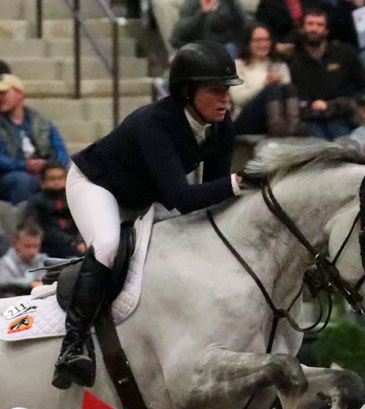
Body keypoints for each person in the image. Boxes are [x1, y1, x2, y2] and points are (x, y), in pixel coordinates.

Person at [56, 40, 243, 389]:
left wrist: (236, 192)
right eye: (215, 90)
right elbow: (184, 199)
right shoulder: (155, 123)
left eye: (227, 91)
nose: (225, 99)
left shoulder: (221, 126)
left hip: (145, 196)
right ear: (188, 92)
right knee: (108, 245)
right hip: (97, 185)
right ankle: (73, 346)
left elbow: (213, 197)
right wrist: (240, 183)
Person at [0, 73, 69, 204]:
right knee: (23, 181)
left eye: (4, 93)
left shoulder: (40, 121)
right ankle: (25, 221)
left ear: (19, 94)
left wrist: (51, 167)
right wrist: (25, 165)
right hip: (6, 175)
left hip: (43, 170)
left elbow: (60, 150)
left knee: (66, 178)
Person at [287, 8, 365, 141]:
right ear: (302, 28)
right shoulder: (293, 60)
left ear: (326, 31)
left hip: (341, 116)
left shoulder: (345, 53)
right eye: (310, 24)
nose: (314, 29)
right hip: (310, 119)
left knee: (342, 143)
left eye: (319, 25)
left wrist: (342, 103)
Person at [231, 23, 299, 137]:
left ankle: (293, 128)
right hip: (246, 118)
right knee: (272, 88)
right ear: (248, 43)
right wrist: (264, 84)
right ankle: (278, 132)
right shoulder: (238, 65)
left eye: (266, 40)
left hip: (276, 115)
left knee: (289, 87)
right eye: (257, 41)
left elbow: (286, 95)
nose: (262, 44)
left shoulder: (280, 65)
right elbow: (238, 99)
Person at [25, 160, 85, 259]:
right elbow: (37, 227)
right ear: (43, 182)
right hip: (49, 247)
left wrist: (80, 240)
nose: (57, 182)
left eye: (60, 178)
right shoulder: (36, 202)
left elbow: (84, 221)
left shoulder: (75, 198)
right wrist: (71, 242)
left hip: (78, 244)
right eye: (52, 179)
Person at [169, 0, 248, 56]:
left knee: (230, 49)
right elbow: (182, 31)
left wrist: (232, 3)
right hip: (199, 47)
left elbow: (241, 24)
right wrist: (202, 13)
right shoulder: (191, 4)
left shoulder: (228, 3)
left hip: (225, 46)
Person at [0, 221, 46, 295]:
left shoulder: (42, 260)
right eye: (27, 246)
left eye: (36, 246)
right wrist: (30, 284)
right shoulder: (5, 263)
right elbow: (4, 282)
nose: (32, 251)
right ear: (15, 245)